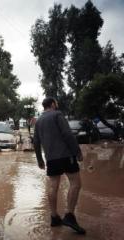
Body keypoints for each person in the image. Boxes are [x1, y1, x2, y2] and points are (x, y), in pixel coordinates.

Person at [33, 97, 86, 235]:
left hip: (51, 158)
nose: (57, 105)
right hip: (66, 155)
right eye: (56, 103)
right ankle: (69, 215)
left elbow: (36, 142)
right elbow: (67, 134)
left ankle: (54, 216)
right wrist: (77, 152)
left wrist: (40, 159)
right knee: (76, 183)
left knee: (53, 185)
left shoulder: (38, 121)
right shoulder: (57, 114)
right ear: (52, 104)